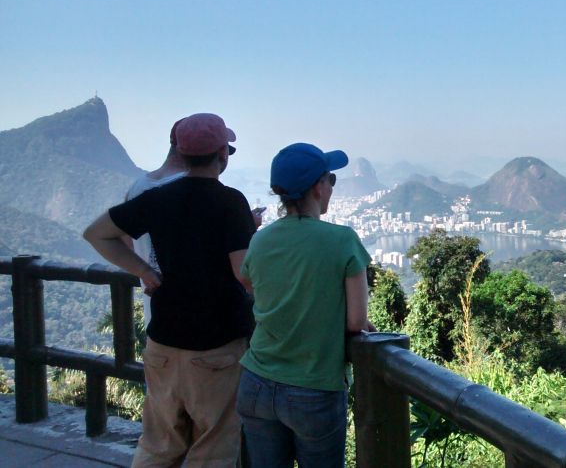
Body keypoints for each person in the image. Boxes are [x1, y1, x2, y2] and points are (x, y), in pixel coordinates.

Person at [83, 113, 255, 467]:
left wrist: (144, 271)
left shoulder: (157, 198)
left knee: (159, 445)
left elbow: (97, 233)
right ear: (222, 154)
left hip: (162, 343)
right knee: (214, 447)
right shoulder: (230, 202)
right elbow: (244, 273)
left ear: (180, 152)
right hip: (216, 348)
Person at [236, 142, 375, 468]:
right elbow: (357, 322)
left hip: (255, 381)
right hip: (313, 388)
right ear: (318, 186)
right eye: (331, 179)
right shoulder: (342, 240)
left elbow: (248, 281)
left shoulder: (261, 238)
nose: (331, 188)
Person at [124, 119, 187, 329]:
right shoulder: (193, 190)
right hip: (200, 327)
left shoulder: (137, 187)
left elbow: (126, 243)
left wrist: (147, 273)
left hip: (156, 320)